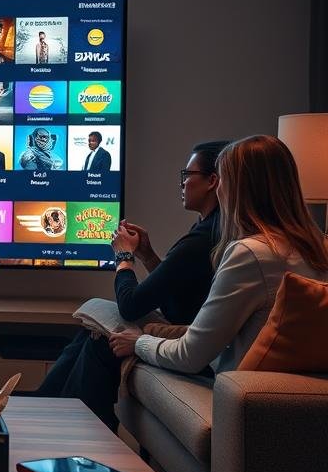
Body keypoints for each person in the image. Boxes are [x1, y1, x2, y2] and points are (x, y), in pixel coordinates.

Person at [37, 140, 241, 430]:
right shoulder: (211, 228)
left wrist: (123, 256)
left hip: (196, 348)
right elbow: (176, 299)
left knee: (100, 339)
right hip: (184, 324)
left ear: (212, 181)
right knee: (91, 330)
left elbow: (132, 305)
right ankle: (44, 413)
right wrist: (146, 254)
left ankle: (72, 428)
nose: (182, 183)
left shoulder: (202, 239)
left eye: (187, 175)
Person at [110, 135, 328, 376]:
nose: (219, 188)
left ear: (239, 187)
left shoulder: (251, 254)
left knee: (103, 321)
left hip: (236, 387)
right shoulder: (319, 246)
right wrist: (149, 257)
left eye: (223, 179)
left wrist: (139, 342)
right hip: (292, 384)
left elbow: (189, 356)